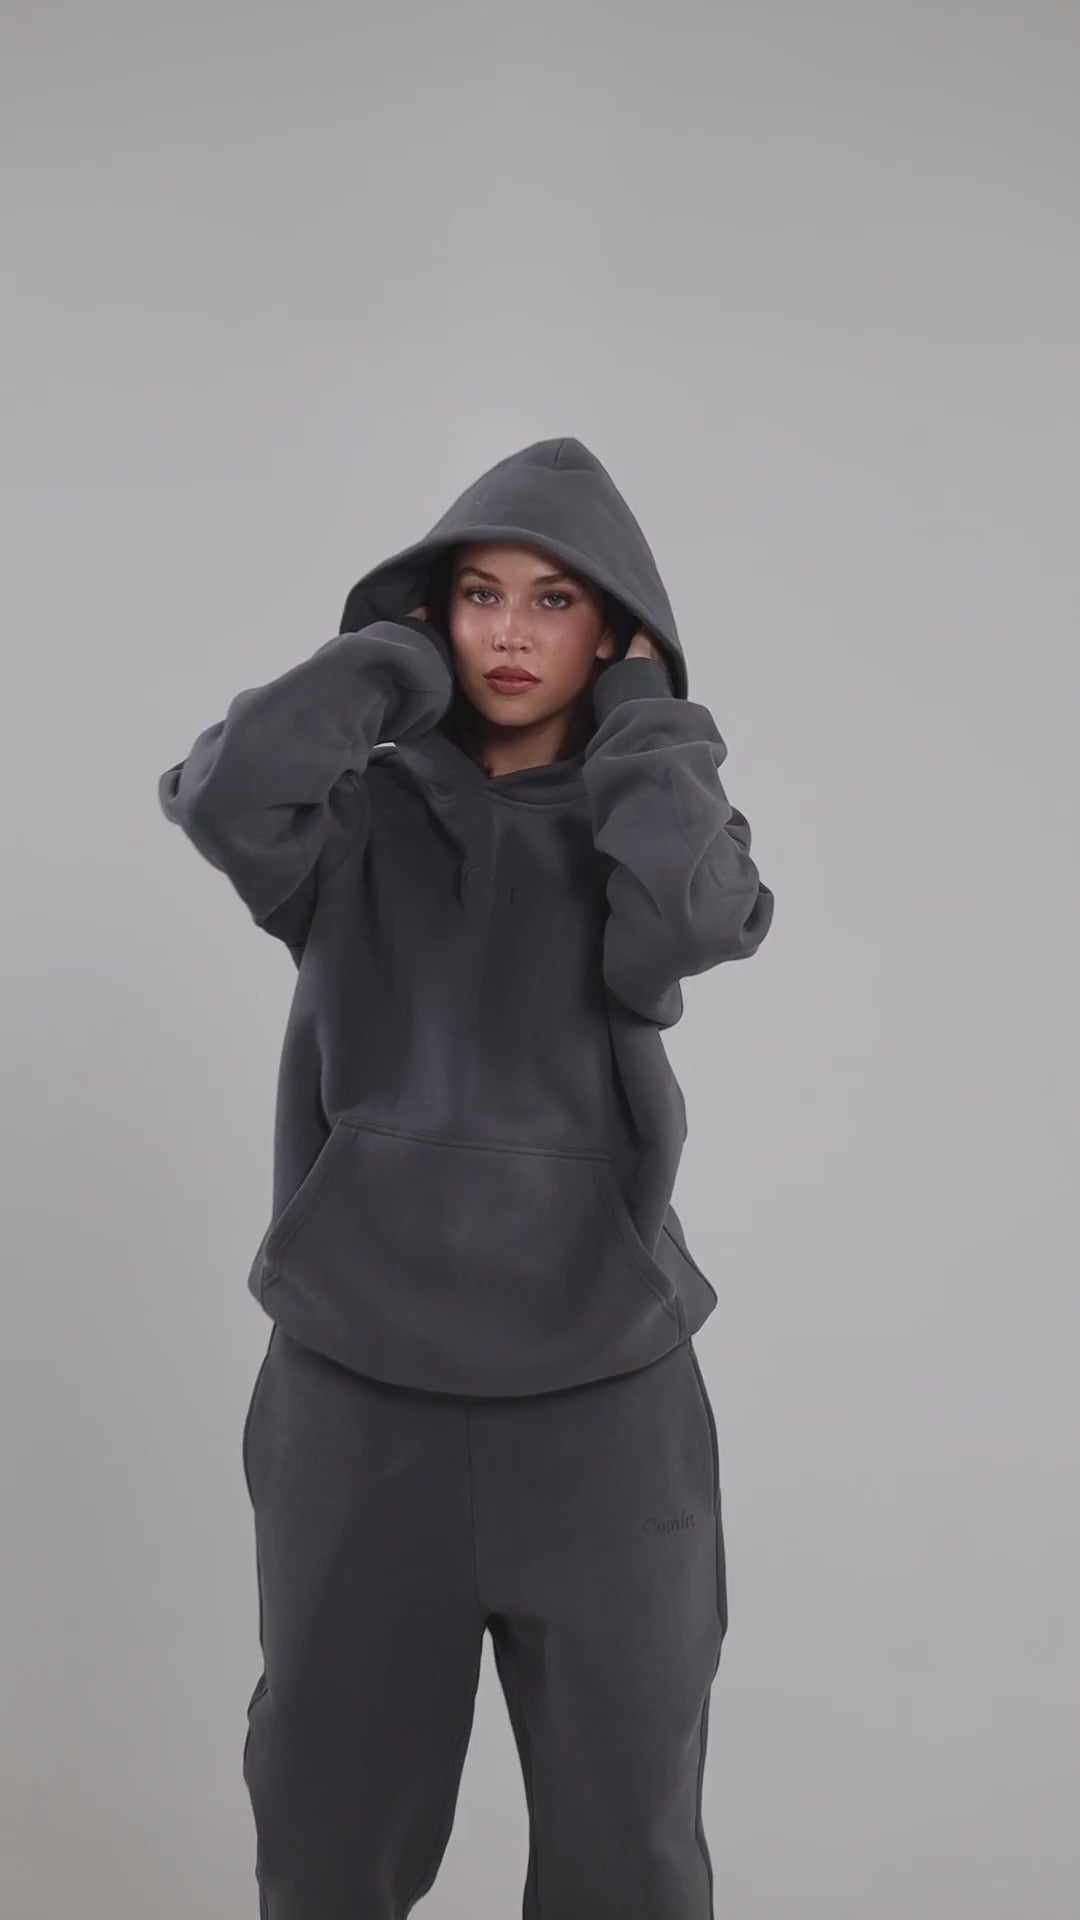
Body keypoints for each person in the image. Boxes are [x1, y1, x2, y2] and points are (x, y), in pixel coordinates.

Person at [158, 435, 774, 1919]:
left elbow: (700, 919)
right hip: (356, 1401)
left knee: (630, 1859)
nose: (510, 631)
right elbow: (224, 795)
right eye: (479, 595)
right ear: (436, 614)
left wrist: (647, 721)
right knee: (326, 1848)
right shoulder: (352, 823)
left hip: (606, 1409)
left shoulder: (645, 828)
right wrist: (390, 662)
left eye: (555, 600)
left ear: (614, 631)